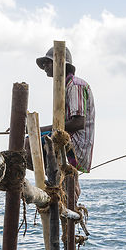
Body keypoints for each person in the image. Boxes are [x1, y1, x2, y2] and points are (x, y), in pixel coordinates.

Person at [30, 46, 96, 176]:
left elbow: (78, 123)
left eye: (47, 63)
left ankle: (62, 176)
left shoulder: (75, 86)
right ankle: (58, 176)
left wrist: (36, 129)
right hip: (66, 139)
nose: (44, 67)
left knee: (29, 143)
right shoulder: (64, 87)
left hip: (75, 145)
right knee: (30, 140)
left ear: (60, 64)